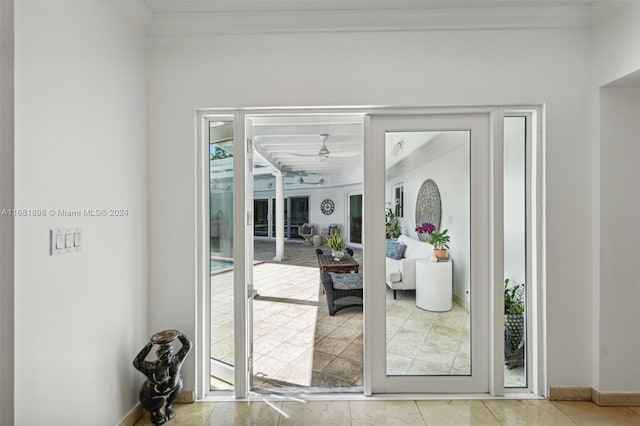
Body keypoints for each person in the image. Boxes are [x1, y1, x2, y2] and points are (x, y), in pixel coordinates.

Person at [133, 331, 192, 425]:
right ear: (159, 355)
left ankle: (167, 407)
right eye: (164, 354)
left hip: (172, 390)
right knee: (157, 402)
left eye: (169, 352)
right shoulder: (153, 368)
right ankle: (156, 412)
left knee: (178, 384)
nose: (168, 355)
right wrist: (151, 344)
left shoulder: (176, 361)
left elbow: (188, 345)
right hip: (154, 395)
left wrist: (179, 335)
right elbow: (137, 363)